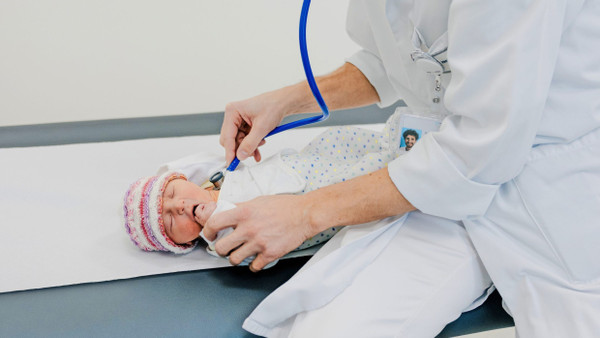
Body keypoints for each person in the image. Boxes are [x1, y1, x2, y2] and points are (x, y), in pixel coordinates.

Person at [204, 1, 600, 337]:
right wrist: (291, 100)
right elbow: (397, 61)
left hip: (549, 193)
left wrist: (305, 213)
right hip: (432, 181)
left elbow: (476, 154)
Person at [123, 113, 411, 256]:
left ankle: (403, 135)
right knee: (366, 176)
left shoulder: (211, 179)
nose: (180, 206)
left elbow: (195, 164)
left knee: (341, 139)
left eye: (173, 194)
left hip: (303, 161)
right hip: (317, 196)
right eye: (171, 220)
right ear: (183, 244)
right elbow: (258, 252)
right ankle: (412, 156)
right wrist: (216, 218)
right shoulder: (221, 239)